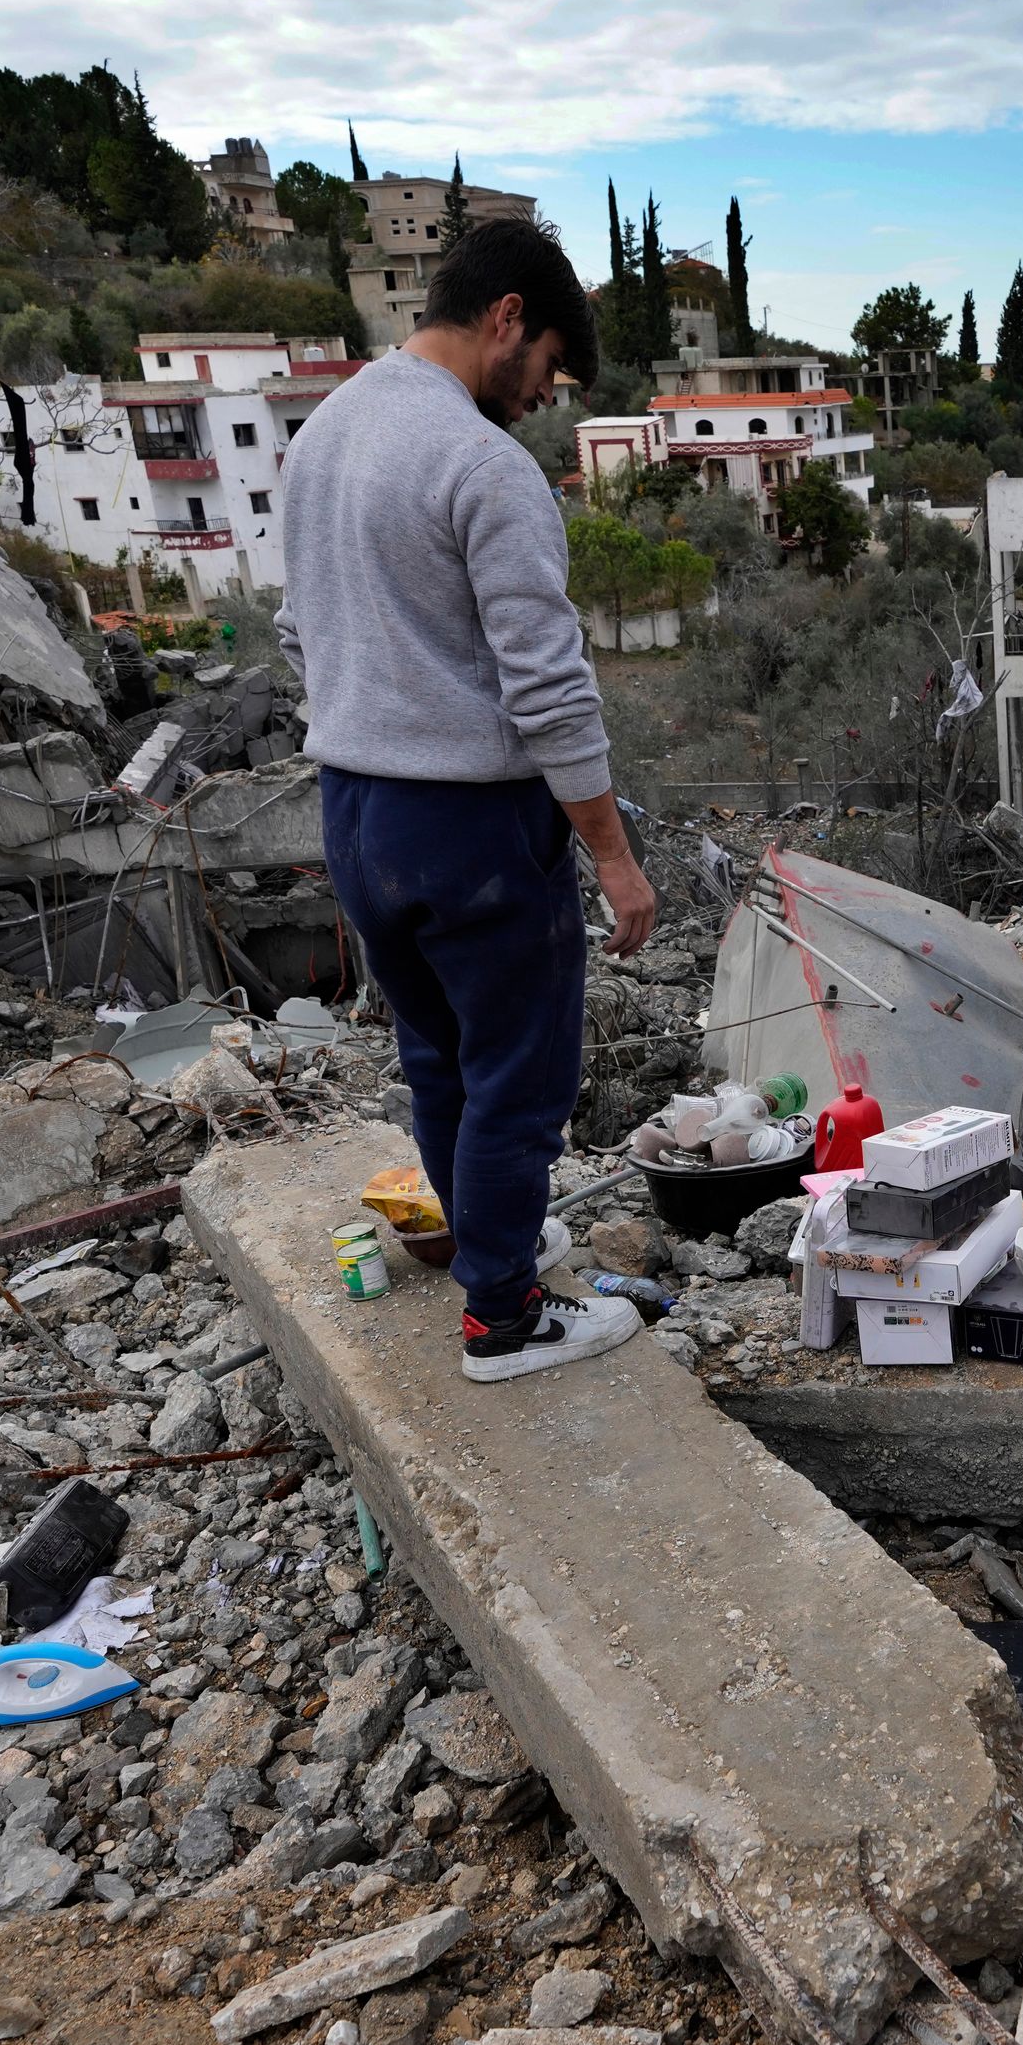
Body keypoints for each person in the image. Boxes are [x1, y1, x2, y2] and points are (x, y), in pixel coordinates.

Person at [281, 218, 660, 1382]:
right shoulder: (481, 464)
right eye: (547, 365)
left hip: (355, 811)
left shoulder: (330, 430)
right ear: (505, 317)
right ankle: (505, 1318)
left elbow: (299, 629)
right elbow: (548, 688)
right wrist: (611, 851)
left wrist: (376, 725)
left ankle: (480, 1248)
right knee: (518, 1077)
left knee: (439, 1057)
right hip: (473, 830)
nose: (544, 395)